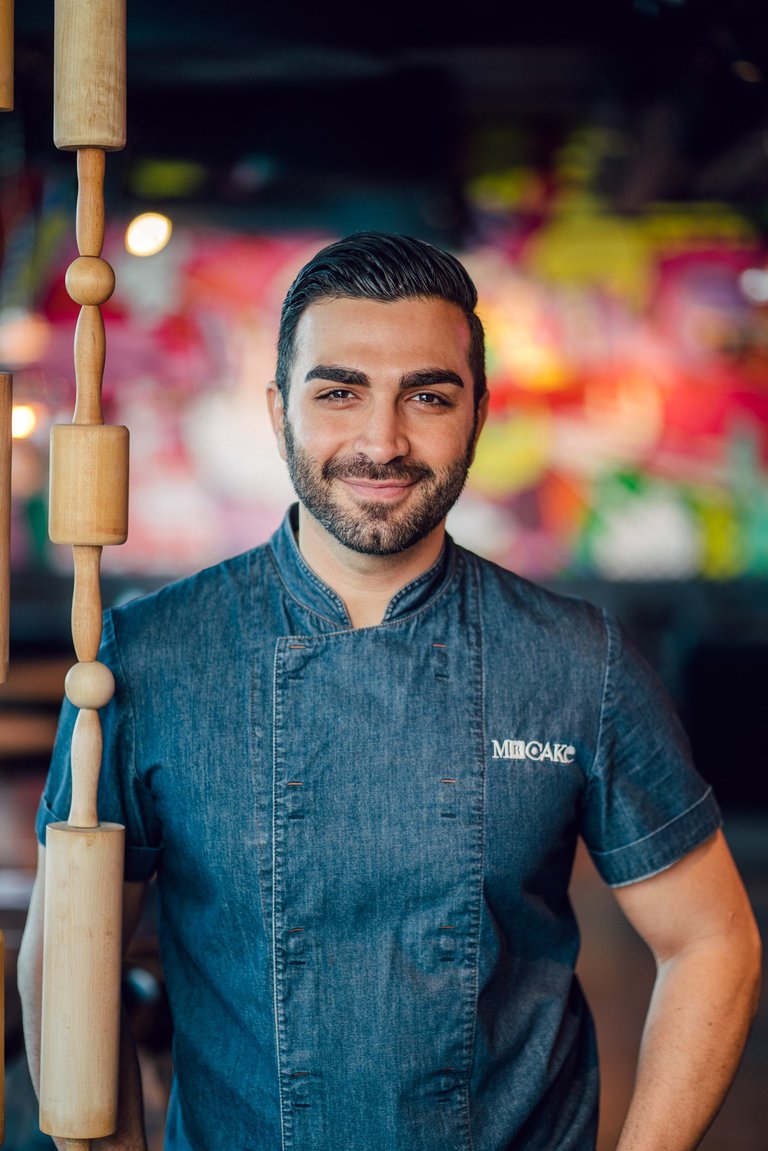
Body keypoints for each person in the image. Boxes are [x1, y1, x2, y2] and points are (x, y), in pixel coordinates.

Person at [19, 233, 761, 1151]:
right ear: (276, 408)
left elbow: (712, 941)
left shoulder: (578, 661)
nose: (383, 440)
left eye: (429, 395)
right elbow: (65, 964)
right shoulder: (149, 658)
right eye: (338, 392)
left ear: (480, 415)